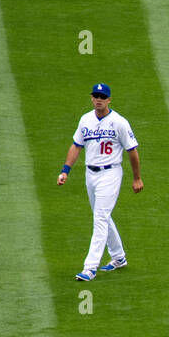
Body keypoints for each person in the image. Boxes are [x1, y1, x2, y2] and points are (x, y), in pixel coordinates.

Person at [57, 83, 143, 281]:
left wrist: (137, 177)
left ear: (109, 100)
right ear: (91, 98)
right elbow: (76, 146)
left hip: (110, 174)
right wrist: (65, 171)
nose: (98, 99)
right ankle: (119, 257)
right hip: (91, 174)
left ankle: (89, 267)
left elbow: (132, 151)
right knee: (102, 215)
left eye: (102, 97)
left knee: (100, 218)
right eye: (95, 96)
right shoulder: (85, 120)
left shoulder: (119, 122)